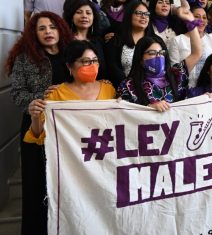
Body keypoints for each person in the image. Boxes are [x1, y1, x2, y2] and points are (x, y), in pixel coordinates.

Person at [5, 11, 72, 235]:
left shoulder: (72, 54)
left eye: (52, 27)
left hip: (69, 130)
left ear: (60, 29)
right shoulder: (25, 58)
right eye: (41, 28)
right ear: (34, 33)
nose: (48, 32)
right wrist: (41, 97)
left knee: (68, 182)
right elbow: (16, 94)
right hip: (35, 128)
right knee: (36, 183)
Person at [25, 40, 115, 144]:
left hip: (101, 154)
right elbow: (40, 135)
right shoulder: (56, 94)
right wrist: (35, 117)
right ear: (69, 66)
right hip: (71, 157)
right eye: (86, 61)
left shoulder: (108, 89)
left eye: (95, 60)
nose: (92, 65)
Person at [117, 7, 202, 112]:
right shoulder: (128, 86)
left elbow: (197, 53)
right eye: (152, 53)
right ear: (140, 59)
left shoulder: (176, 75)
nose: (158, 56)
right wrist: (149, 108)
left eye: (161, 53)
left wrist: (191, 22)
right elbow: (124, 116)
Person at [105, 1, 150, 88]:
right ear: (129, 15)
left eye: (146, 13)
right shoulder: (115, 40)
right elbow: (113, 68)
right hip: (124, 89)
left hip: (151, 90)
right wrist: (130, 87)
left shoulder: (157, 41)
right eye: (139, 13)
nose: (144, 16)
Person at [63, 0, 107, 80]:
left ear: (94, 17)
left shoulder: (99, 41)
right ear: (71, 17)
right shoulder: (64, 41)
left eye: (88, 13)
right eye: (79, 12)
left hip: (98, 88)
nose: (84, 16)